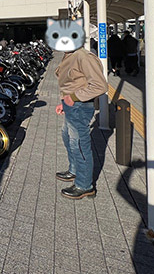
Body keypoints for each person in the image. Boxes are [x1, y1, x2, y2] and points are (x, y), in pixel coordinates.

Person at [55, 44, 107, 200]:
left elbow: (100, 86)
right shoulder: (69, 55)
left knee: (78, 144)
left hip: (80, 106)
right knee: (67, 137)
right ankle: (74, 170)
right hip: (71, 104)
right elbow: (71, 83)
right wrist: (63, 102)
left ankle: (84, 185)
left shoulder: (83, 56)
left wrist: (73, 98)